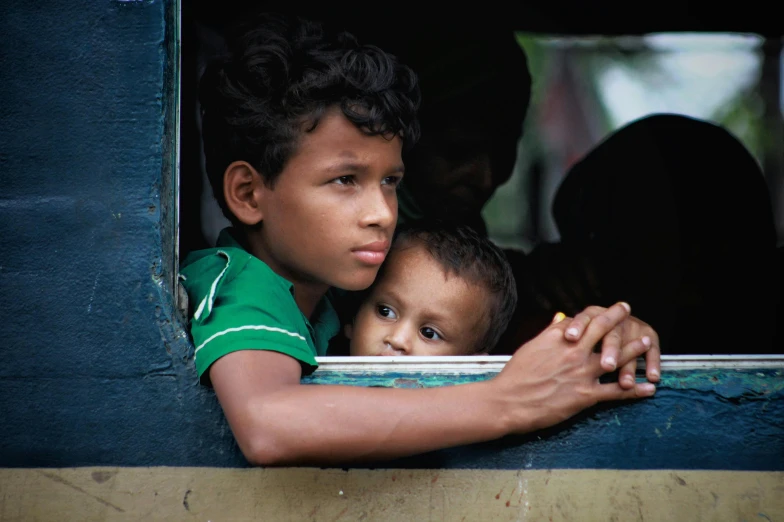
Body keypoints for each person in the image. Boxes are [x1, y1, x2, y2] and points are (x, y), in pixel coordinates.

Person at [179, 12, 661, 466]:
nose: (381, 213)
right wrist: (506, 400)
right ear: (248, 193)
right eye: (345, 180)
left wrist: (599, 337)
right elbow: (269, 422)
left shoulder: (326, 294)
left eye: (390, 181)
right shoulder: (242, 285)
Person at [342, 220, 517, 356]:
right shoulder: (316, 391)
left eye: (429, 333)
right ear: (353, 317)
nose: (397, 339)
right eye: (385, 311)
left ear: (469, 365)